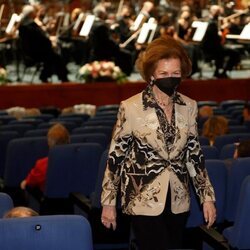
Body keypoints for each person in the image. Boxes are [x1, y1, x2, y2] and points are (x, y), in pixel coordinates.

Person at [101, 36, 216, 250]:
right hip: (141, 197)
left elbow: (194, 156)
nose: (170, 78)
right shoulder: (131, 107)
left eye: (175, 74)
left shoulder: (189, 106)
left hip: (178, 200)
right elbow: (115, 158)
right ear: (151, 74)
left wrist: (206, 198)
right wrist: (108, 203)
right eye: (164, 74)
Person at [20, 123, 70, 192]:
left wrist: (24, 183)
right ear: (68, 140)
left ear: (49, 143)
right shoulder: (77, 161)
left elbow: (29, 183)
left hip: (49, 200)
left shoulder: (43, 164)